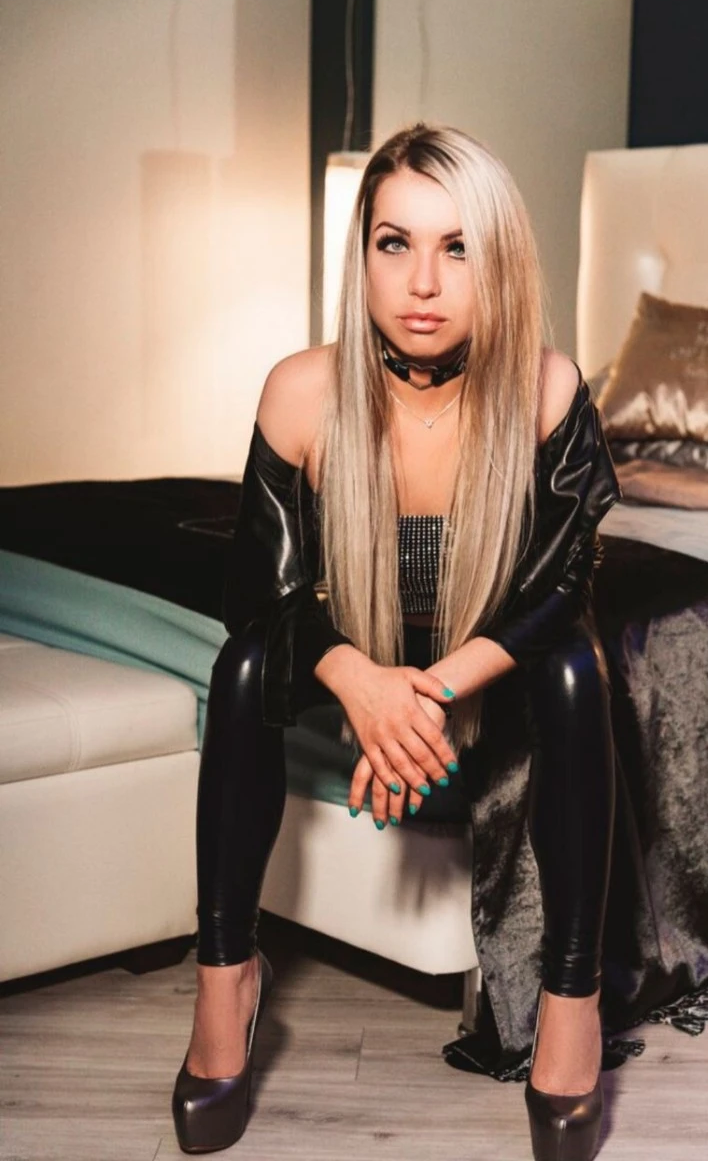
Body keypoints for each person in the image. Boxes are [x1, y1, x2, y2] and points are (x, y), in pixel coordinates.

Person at [171, 123, 621, 1161]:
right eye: (394, 243)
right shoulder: (302, 389)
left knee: (573, 668)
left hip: (491, 649)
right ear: (361, 255)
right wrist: (362, 683)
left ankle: (573, 997)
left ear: (498, 260)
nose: (423, 282)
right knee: (241, 668)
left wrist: (425, 693)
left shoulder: (547, 388)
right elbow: (258, 594)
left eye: (457, 247)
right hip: (355, 642)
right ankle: (226, 977)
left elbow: (559, 587)